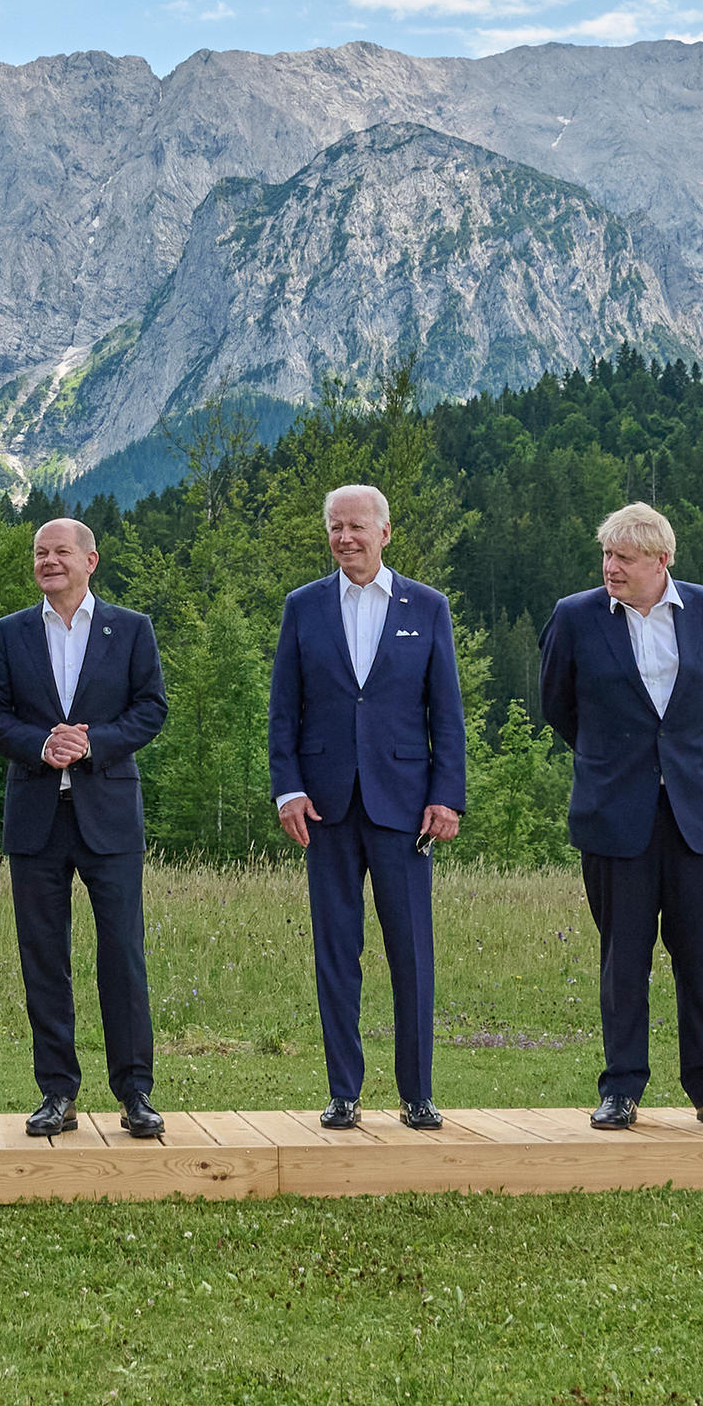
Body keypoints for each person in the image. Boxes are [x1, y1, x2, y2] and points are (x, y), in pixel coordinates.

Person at [536, 502, 703, 1132]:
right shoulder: (575, 617)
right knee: (623, 956)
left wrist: (681, 758)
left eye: (625, 558)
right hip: (615, 813)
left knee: (701, 956)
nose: (611, 567)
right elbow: (559, 706)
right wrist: (616, 759)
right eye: (606, 555)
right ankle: (621, 1089)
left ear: (662, 561)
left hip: (699, 813)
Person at [269, 484, 466, 1132]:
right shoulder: (303, 607)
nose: (345, 537)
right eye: (335, 527)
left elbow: (447, 713)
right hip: (324, 806)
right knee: (335, 951)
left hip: (406, 806)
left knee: (411, 951)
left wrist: (446, 793)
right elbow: (283, 711)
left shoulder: (428, 607)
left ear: (385, 532)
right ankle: (344, 1092)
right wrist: (287, 787)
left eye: (357, 526)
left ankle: (416, 1094)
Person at [0, 517, 171, 1137]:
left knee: (122, 956)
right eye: (40, 553)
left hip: (109, 816)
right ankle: (57, 1093)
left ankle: (135, 1093)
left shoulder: (131, 629)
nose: (49, 561)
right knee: (44, 960)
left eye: (61, 551)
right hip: (35, 819)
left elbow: (152, 709)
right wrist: (42, 744)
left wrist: (92, 744)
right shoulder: (11, 634)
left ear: (91, 560)